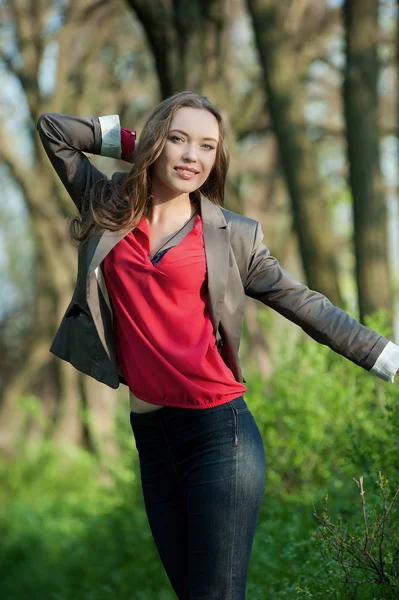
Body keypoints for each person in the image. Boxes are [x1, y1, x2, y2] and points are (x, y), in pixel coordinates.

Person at [37, 90, 399, 600]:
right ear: (156, 143)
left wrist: (389, 357)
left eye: (207, 147)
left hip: (219, 436)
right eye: (179, 141)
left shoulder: (234, 237)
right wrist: (143, 146)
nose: (192, 156)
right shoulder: (108, 208)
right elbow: (54, 130)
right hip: (152, 440)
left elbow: (305, 303)